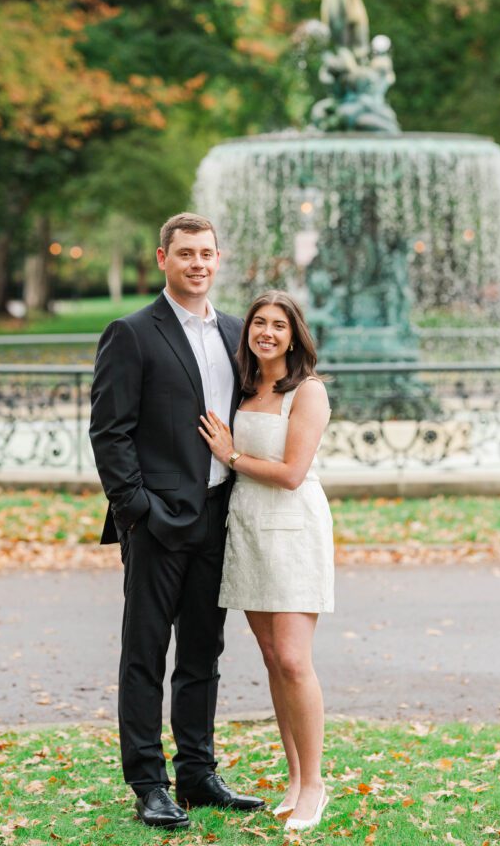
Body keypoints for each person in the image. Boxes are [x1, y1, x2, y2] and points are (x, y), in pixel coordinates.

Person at [89, 213, 264, 830]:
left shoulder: (239, 333)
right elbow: (110, 432)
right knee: (144, 653)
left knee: (203, 651)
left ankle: (197, 770)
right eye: (185, 253)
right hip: (157, 522)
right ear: (162, 258)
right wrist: (138, 511)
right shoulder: (132, 333)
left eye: (207, 253)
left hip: (221, 516)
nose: (197, 263)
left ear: (219, 260)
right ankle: (148, 782)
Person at [198, 290, 334, 834]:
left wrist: (230, 455)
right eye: (259, 323)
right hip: (247, 529)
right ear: (248, 331)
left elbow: (292, 472)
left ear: (294, 334)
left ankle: (317, 784)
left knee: (296, 661)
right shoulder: (244, 386)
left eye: (279, 325)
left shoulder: (308, 392)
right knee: (274, 659)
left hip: (294, 529)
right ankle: (296, 778)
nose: (268, 333)